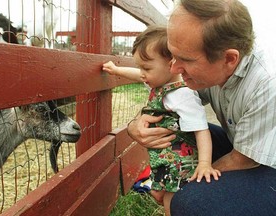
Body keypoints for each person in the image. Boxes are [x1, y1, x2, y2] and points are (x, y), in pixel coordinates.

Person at [127, 0, 276, 215]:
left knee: (190, 202)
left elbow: (245, 159)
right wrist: (135, 125)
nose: (174, 68)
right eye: (172, 55)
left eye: (185, 59)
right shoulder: (214, 65)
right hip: (242, 146)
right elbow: (171, 100)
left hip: (266, 164)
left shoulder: (267, 83)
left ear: (229, 59)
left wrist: (178, 183)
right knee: (176, 128)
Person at [103, 25, 220, 216]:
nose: (141, 73)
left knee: (171, 202)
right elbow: (137, 75)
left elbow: (201, 129)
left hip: (180, 163)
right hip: (165, 159)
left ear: (171, 64)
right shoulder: (161, 82)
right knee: (158, 193)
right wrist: (116, 70)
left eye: (146, 68)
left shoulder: (183, 94)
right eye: (140, 67)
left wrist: (205, 163)